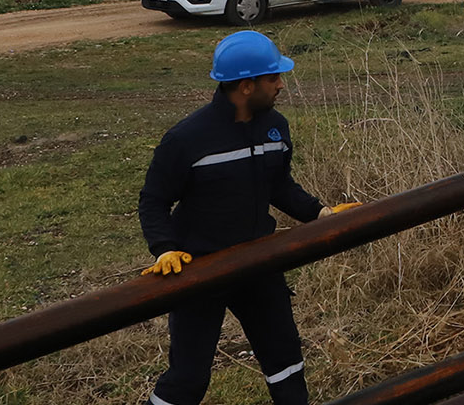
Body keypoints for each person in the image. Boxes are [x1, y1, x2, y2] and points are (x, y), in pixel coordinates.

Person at [137, 30, 360, 405]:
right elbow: (153, 201)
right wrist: (164, 249)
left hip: (259, 262)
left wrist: (320, 213)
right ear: (245, 86)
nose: (280, 85)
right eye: (273, 78)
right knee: (189, 379)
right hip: (201, 271)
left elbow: (279, 187)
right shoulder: (187, 140)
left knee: (286, 359)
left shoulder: (276, 128)